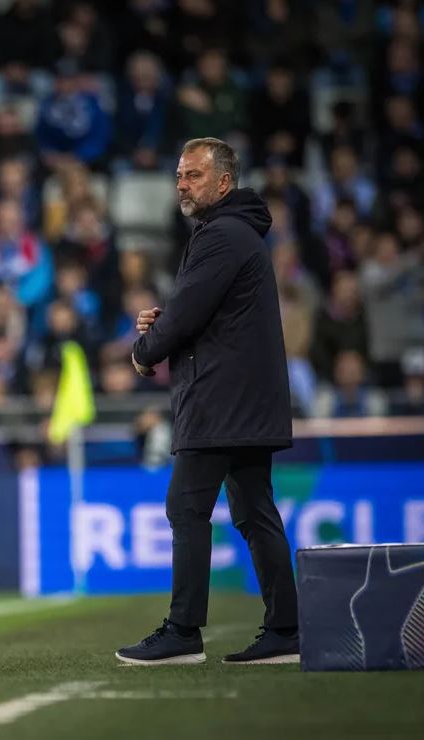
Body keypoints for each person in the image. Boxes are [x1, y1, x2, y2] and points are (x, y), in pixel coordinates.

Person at [119, 138, 299, 666]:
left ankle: (183, 632)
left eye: (194, 175)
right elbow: (202, 312)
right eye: (179, 175)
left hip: (221, 401)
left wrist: (145, 351)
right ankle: (286, 629)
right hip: (246, 401)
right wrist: (168, 323)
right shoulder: (235, 233)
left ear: (223, 182)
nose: (182, 184)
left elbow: (188, 314)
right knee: (255, 512)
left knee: (187, 507)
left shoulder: (221, 235)